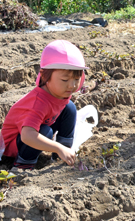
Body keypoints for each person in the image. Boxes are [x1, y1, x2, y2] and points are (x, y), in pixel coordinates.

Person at [0, 40, 88, 170]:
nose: (72, 85)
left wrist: (61, 148)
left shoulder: (59, 93)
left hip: (37, 129)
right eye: (65, 79)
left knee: (69, 108)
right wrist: (57, 147)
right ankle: (23, 164)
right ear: (45, 76)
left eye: (77, 79)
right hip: (14, 145)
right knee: (45, 131)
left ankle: (64, 152)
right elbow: (27, 135)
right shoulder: (38, 103)